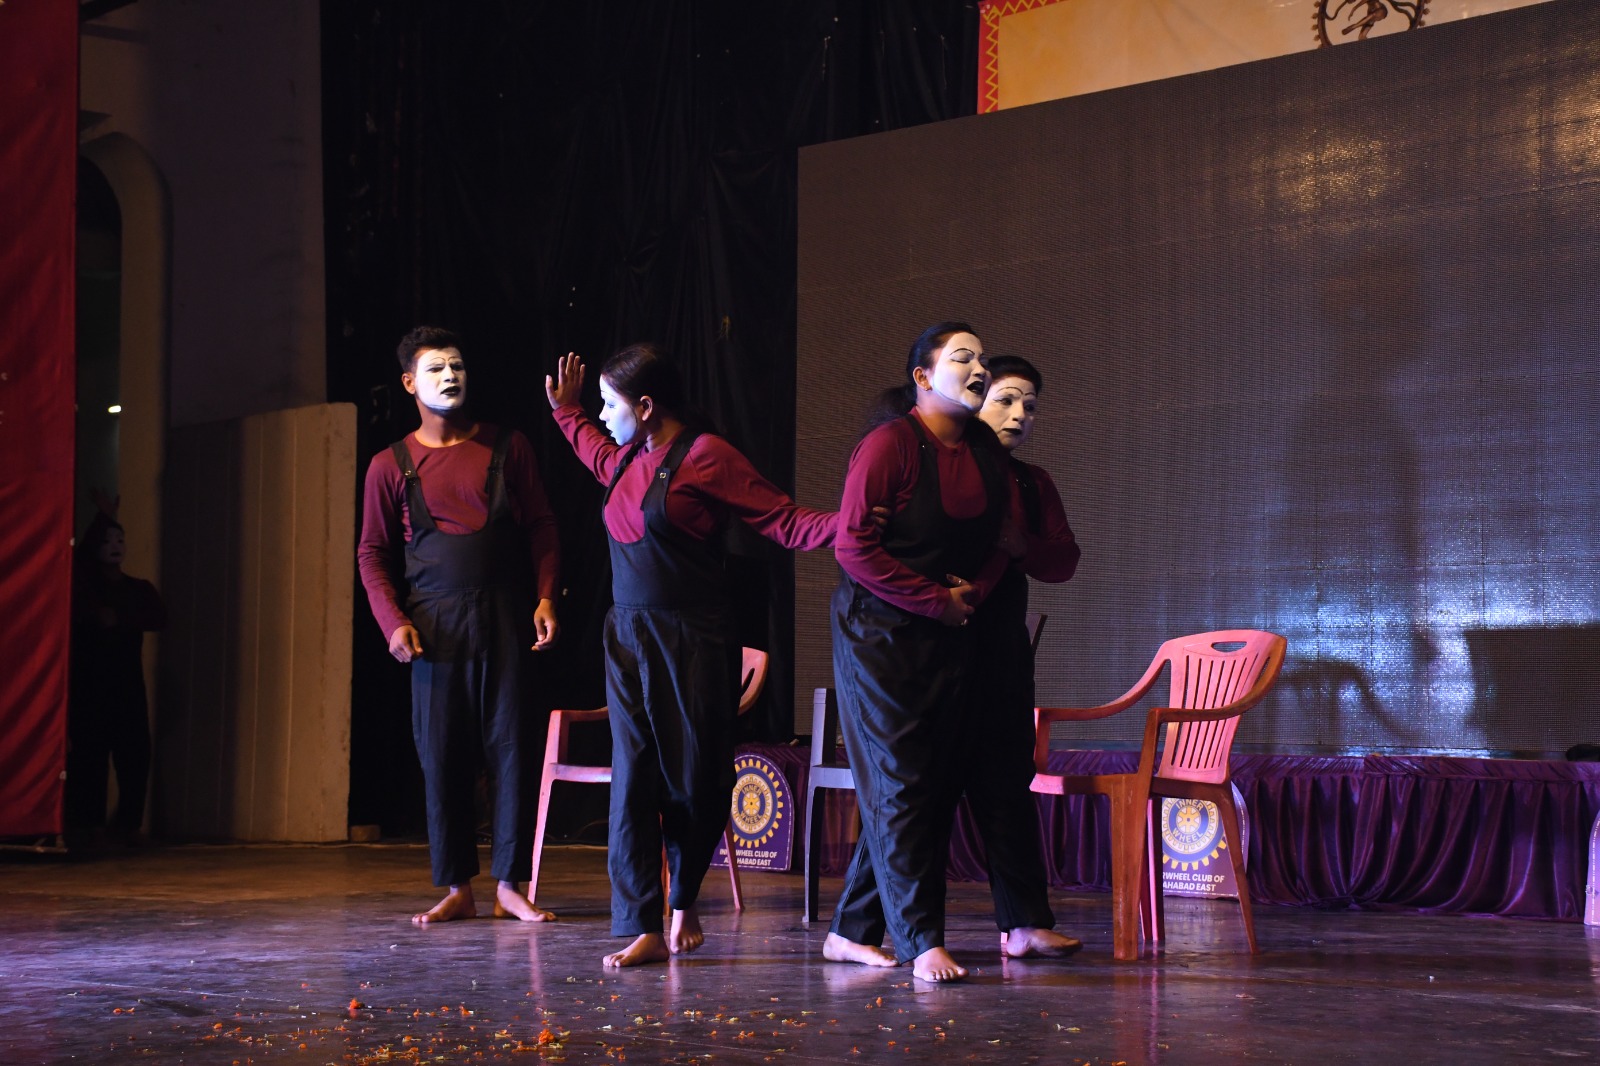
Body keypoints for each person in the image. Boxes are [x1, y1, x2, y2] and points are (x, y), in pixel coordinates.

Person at [544, 344, 836, 968]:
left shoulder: (707, 456)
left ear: (647, 406)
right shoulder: (626, 458)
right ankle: (642, 923)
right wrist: (568, 412)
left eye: (610, 404)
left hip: (692, 638)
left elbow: (783, 520)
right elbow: (593, 449)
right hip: (627, 637)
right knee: (632, 778)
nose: (603, 415)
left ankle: (685, 899)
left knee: (696, 778)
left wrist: (854, 525)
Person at [823, 321, 1012, 983]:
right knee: (901, 782)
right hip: (878, 635)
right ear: (923, 377)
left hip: (948, 629)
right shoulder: (889, 445)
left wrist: (974, 593)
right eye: (963, 357)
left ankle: (849, 932)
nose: (979, 368)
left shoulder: (984, 448)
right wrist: (936, 599)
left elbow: (1001, 541)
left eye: (983, 358)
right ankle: (919, 940)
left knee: (926, 787)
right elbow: (852, 548)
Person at [358, 326, 561, 925]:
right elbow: (372, 553)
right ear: (409, 383)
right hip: (435, 626)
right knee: (441, 753)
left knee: (513, 748)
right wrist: (392, 622)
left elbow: (543, 527)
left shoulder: (508, 447)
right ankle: (457, 886)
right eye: (435, 368)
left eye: (457, 366)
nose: (450, 376)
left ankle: (510, 885)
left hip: (506, 617)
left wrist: (546, 597)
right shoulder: (389, 466)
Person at [966, 354, 1082, 957]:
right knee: (916, 792)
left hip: (1003, 649)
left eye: (1029, 406)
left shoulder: (1031, 482)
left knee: (1009, 785)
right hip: (935, 644)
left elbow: (1064, 559)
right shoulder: (942, 467)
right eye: (1005, 400)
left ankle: (1025, 925)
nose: (1018, 415)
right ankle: (858, 929)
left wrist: (1021, 545)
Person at [66, 496, 166, 844]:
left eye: (120, 539)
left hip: (127, 685)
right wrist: (103, 518)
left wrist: (120, 619)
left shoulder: (138, 589)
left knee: (134, 753)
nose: (115, 546)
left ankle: (127, 824)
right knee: (90, 754)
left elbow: (159, 617)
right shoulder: (85, 589)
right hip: (90, 684)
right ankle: (88, 821)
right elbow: (78, 563)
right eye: (106, 540)